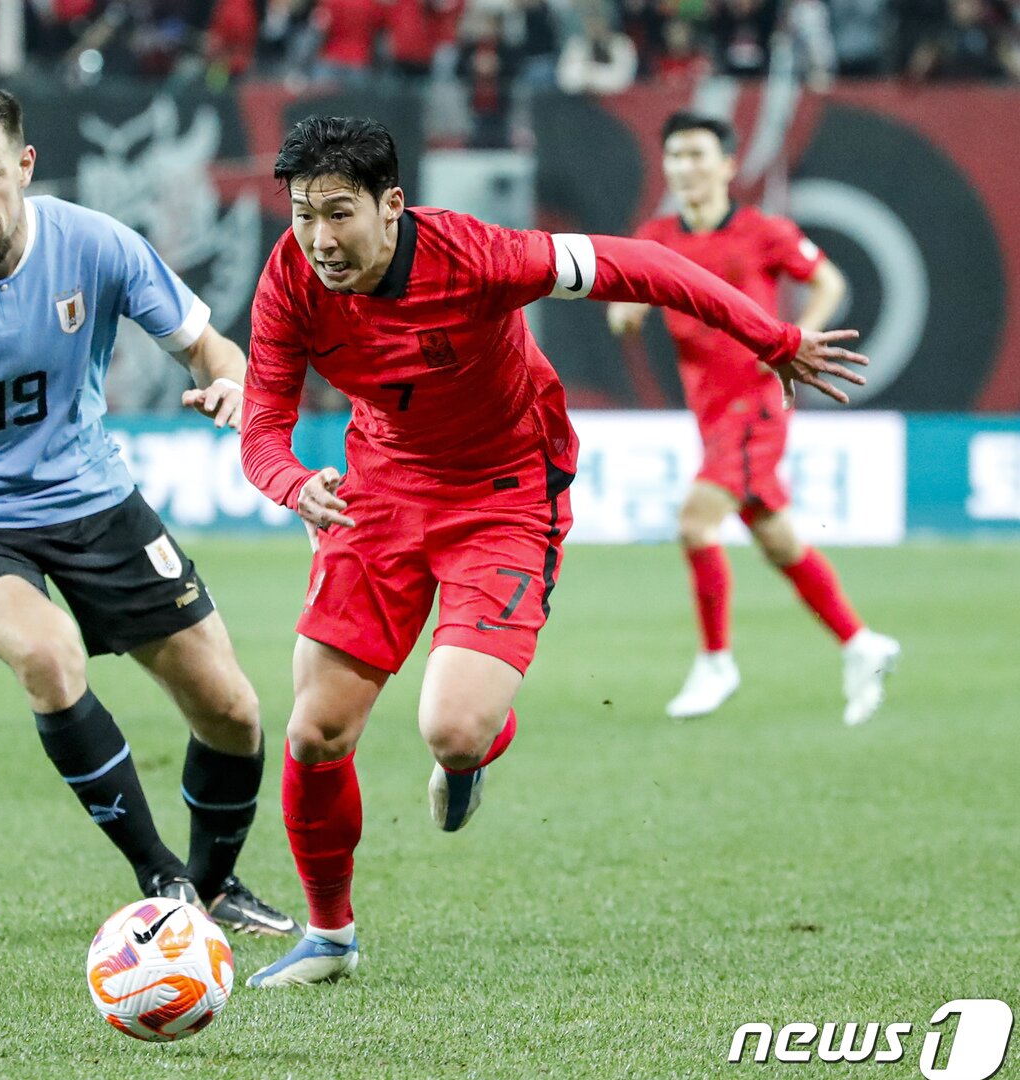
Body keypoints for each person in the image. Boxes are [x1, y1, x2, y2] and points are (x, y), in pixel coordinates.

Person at [238, 115, 868, 987]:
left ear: (392, 205)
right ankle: (330, 936)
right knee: (314, 732)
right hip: (375, 495)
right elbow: (262, 423)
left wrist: (773, 338)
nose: (319, 239)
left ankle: (482, 743)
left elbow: (640, 266)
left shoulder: (481, 256)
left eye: (338, 213)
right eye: (303, 214)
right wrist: (291, 483)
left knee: (453, 731)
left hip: (503, 495)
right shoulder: (290, 281)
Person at [0, 84, 297, 936]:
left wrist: (228, 383)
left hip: (93, 496)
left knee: (234, 711)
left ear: (24, 167)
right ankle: (162, 878)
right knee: (48, 653)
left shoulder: (98, 245)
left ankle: (210, 890)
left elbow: (205, 345)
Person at [606, 111, 900, 725]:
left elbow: (828, 281)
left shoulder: (763, 230)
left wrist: (794, 345)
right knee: (777, 537)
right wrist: (628, 312)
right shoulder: (656, 236)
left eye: (697, 154)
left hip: (757, 402)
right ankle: (861, 643)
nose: (686, 167)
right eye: (676, 155)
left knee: (694, 522)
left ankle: (716, 661)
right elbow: (621, 314)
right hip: (709, 410)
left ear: (728, 164)